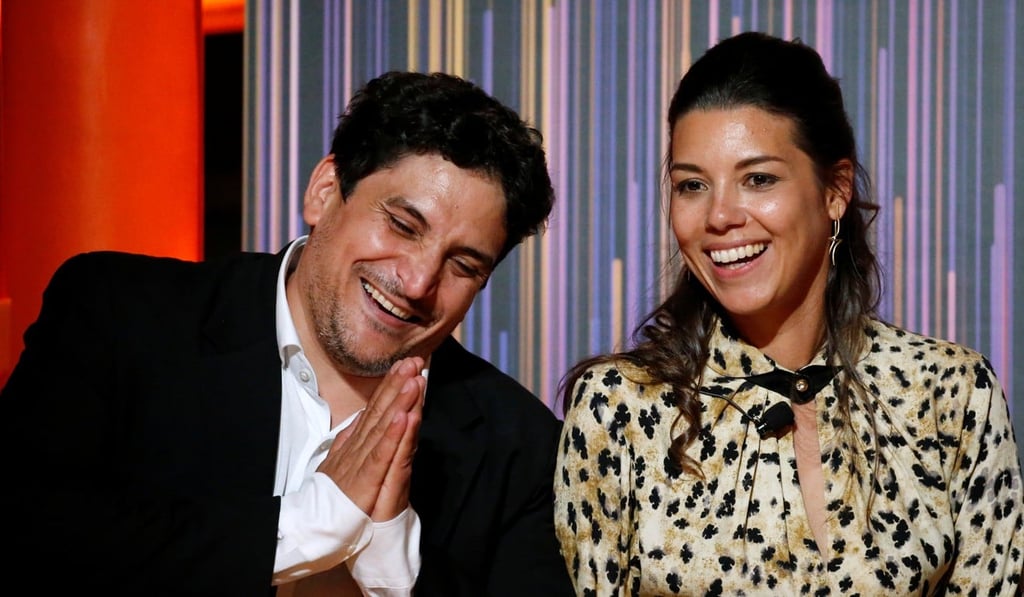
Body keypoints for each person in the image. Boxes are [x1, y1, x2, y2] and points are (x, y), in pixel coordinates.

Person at [3, 71, 573, 596]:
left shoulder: (519, 447)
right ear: (325, 192)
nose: (418, 281)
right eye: (401, 224)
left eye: (464, 265)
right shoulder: (121, 313)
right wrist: (309, 524)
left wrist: (389, 565)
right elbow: (31, 531)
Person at [553, 31, 1023, 596]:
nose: (720, 216)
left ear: (835, 191)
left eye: (758, 179)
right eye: (692, 185)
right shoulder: (616, 409)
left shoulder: (951, 394)